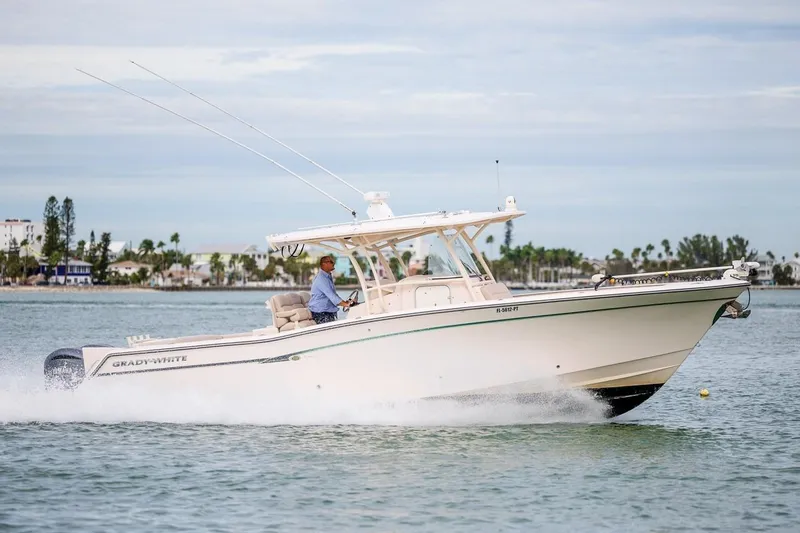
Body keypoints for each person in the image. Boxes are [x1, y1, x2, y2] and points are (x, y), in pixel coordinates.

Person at [308, 255, 351, 324]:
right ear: (324, 264)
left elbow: (334, 295)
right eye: (331, 262)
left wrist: (346, 302)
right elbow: (332, 296)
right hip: (320, 314)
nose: (333, 263)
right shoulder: (321, 279)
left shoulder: (327, 277)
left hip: (327, 312)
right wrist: (346, 304)